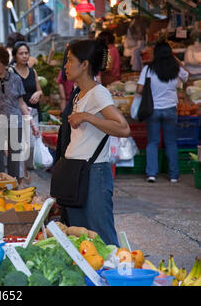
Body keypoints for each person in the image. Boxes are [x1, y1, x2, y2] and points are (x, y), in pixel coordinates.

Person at [54, 39, 131, 246]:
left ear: (85, 64)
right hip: (75, 173)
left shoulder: (99, 93)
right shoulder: (79, 93)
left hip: (93, 174)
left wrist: (87, 117)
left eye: (70, 61)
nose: (66, 66)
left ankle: (116, 276)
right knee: (82, 240)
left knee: (102, 239)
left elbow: (123, 127)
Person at [0, 44, 40, 181]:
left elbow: (21, 104)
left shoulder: (16, 79)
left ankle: (14, 185)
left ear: (5, 62)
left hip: (15, 123)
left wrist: (32, 124)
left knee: (14, 157)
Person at [137, 41, 190, 184]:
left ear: (155, 53)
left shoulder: (148, 69)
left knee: (153, 142)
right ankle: (173, 175)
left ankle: (151, 174)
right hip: (170, 109)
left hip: (153, 109)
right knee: (171, 142)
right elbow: (187, 75)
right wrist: (177, 59)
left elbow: (139, 90)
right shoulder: (175, 68)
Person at [11, 41, 43, 186]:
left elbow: (39, 89)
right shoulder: (11, 72)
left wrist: (37, 93)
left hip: (33, 112)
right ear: (15, 56)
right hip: (17, 112)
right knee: (21, 144)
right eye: (21, 53)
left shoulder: (33, 71)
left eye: (26, 53)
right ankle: (22, 175)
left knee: (30, 144)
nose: (24, 56)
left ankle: (24, 171)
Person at [56, 41, 78, 111]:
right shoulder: (82, 72)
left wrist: (63, 114)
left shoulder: (62, 73)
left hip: (68, 108)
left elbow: (63, 98)